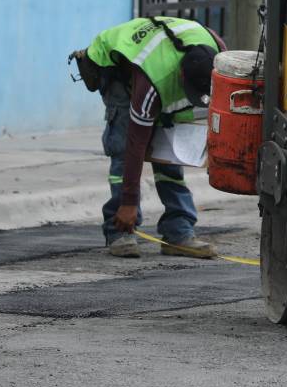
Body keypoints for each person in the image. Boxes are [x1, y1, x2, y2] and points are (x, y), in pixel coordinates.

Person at [70, 16, 223, 258]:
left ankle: (178, 233)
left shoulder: (219, 56)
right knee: (123, 150)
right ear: (181, 77)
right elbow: (136, 143)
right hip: (116, 69)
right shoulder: (152, 82)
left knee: (170, 155)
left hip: (160, 62)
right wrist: (129, 202)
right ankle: (119, 230)